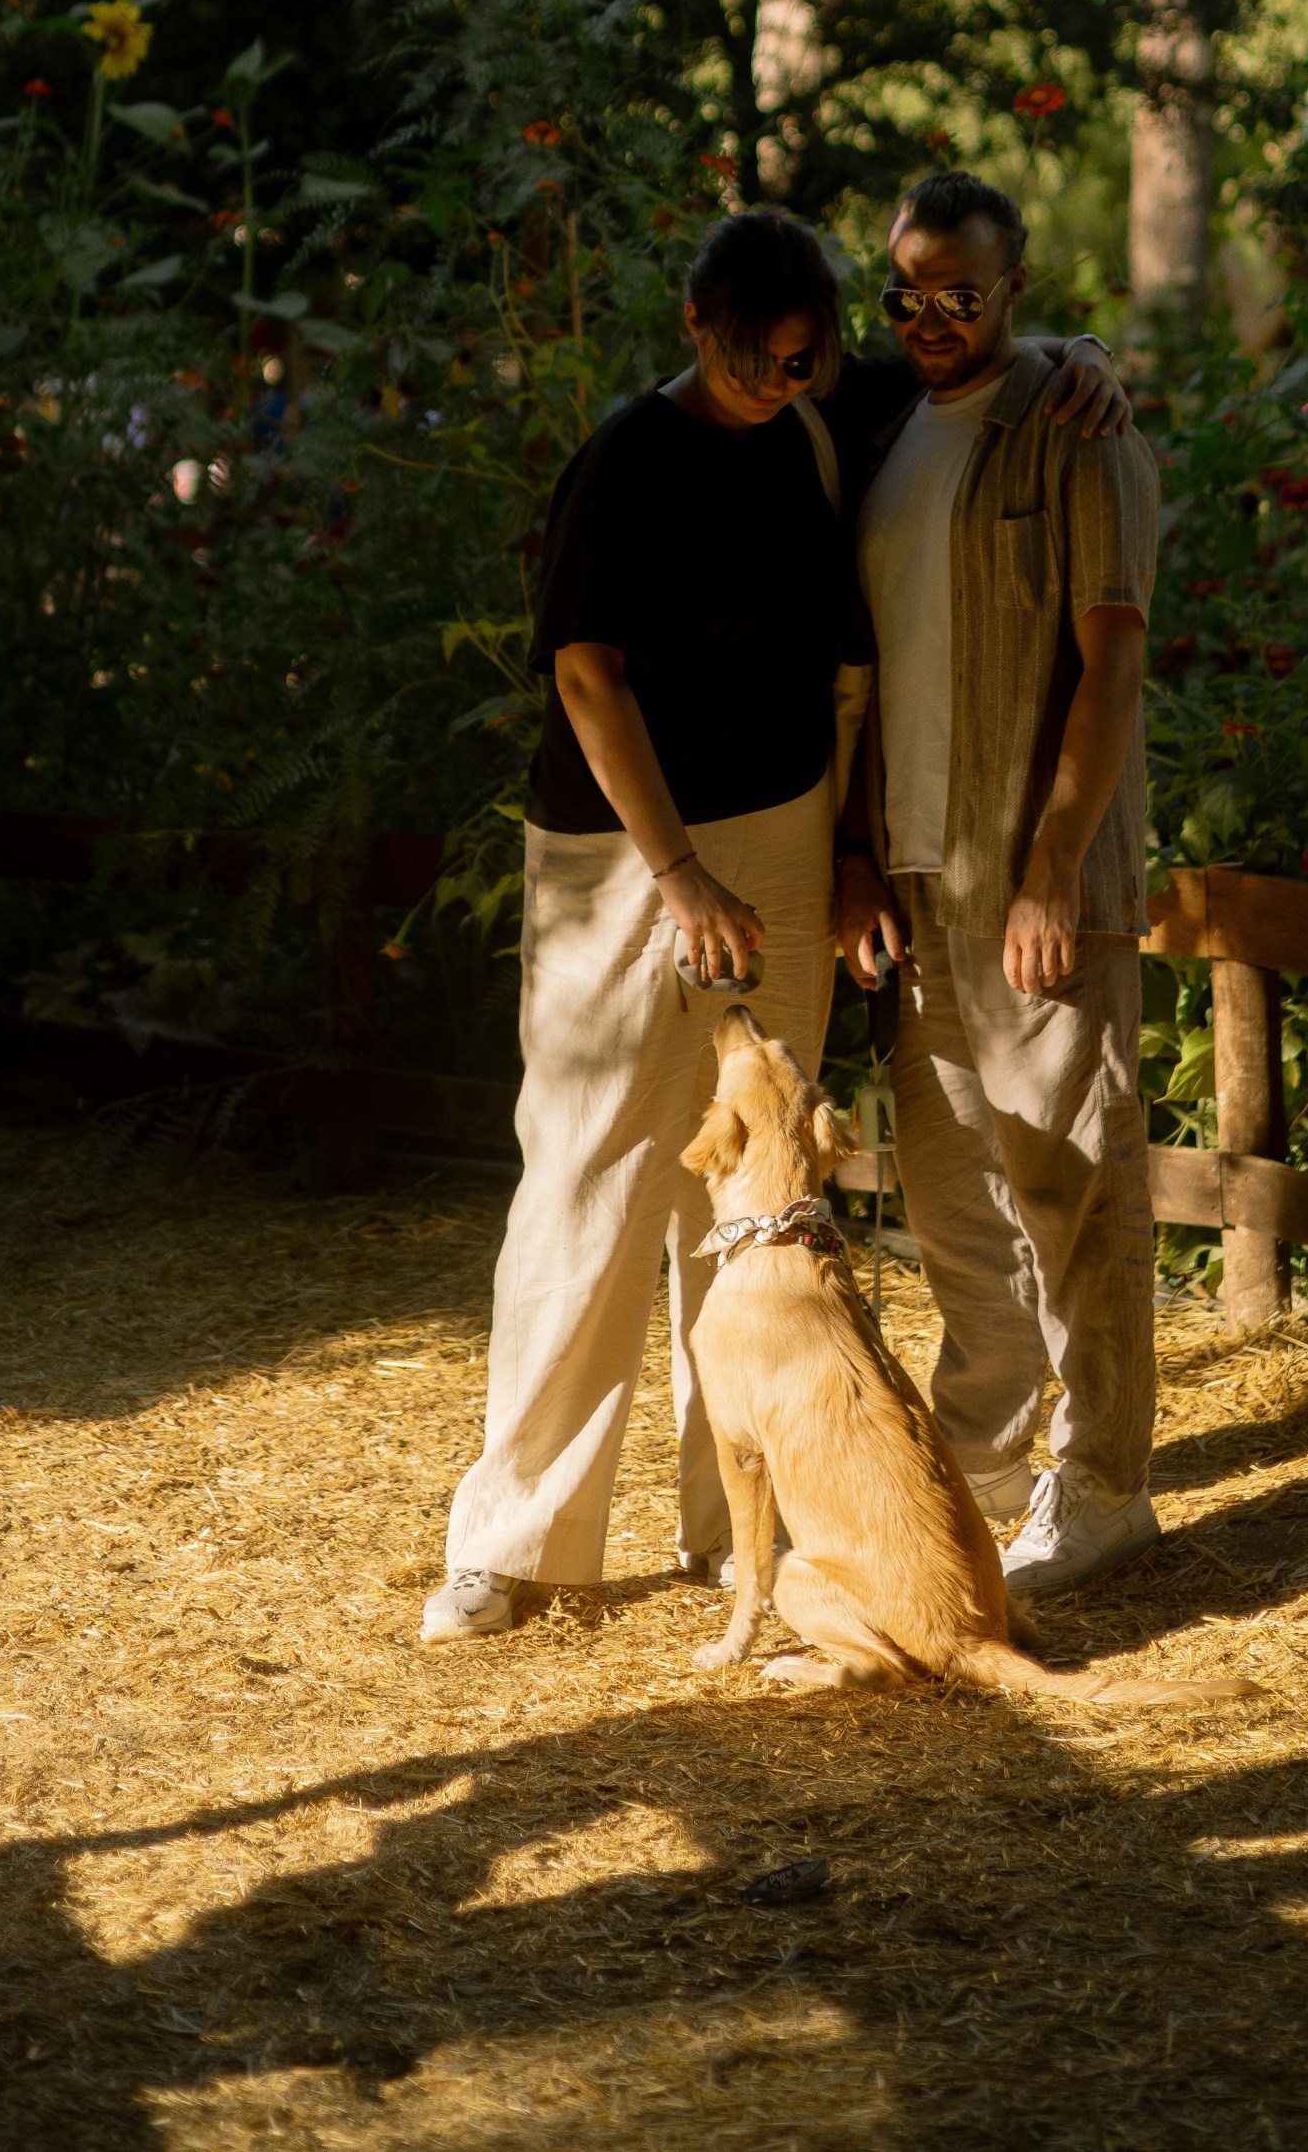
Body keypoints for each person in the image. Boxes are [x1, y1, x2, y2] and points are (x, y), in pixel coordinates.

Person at [425, 205, 1131, 1641]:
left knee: (755, 1190)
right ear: (695, 325)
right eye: (749, 357)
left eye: (803, 358)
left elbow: (977, 347)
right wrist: (677, 869)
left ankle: (729, 1531)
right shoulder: (627, 461)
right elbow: (586, 679)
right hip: (626, 848)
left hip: (790, 834)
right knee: (590, 1176)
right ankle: (517, 1538)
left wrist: (1085, 352)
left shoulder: (829, 411)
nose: (776, 380)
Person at [835, 168, 1163, 1605]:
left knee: (1076, 1181)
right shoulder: (886, 430)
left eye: (959, 294)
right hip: (917, 871)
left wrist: (1052, 868)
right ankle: (973, 1468)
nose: (930, 319)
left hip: (1035, 875)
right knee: (958, 1198)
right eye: (905, 295)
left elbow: (1114, 660)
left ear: (1014, 285)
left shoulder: (1078, 429)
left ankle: (1104, 1486)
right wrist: (858, 855)